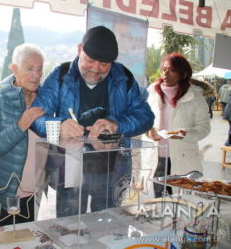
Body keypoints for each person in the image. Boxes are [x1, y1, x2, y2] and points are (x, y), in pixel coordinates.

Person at [31, 26, 154, 217]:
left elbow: (146, 116)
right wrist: (59, 124)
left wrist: (117, 123)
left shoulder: (123, 78)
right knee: (69, 226)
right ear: (80, 49)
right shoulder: (61, 76)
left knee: (106, 228)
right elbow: (36, 116)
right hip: (70, 167)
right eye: (90, 60)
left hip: (112, 168)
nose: (96, 69)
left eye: (104, 64)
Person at [0, 43, 45, 227]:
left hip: (31, 192)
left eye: (39, 69)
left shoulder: (46, 99)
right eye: (29, 68)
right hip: (1, 193)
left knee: (27, 242)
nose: (36, 75)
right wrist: (20, 126)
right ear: (14, 69)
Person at [145, 53, 211, 198]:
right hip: (158, 158)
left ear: (183, 74)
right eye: (164, 69)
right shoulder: (153, 94)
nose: (165, 73)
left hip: (183, 157)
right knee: (160, 200)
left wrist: (185, 134)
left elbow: (204, 128)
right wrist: (148, 130)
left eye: (172, 70)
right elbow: (145, 120)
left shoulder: (195, 98)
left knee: (181, 200)